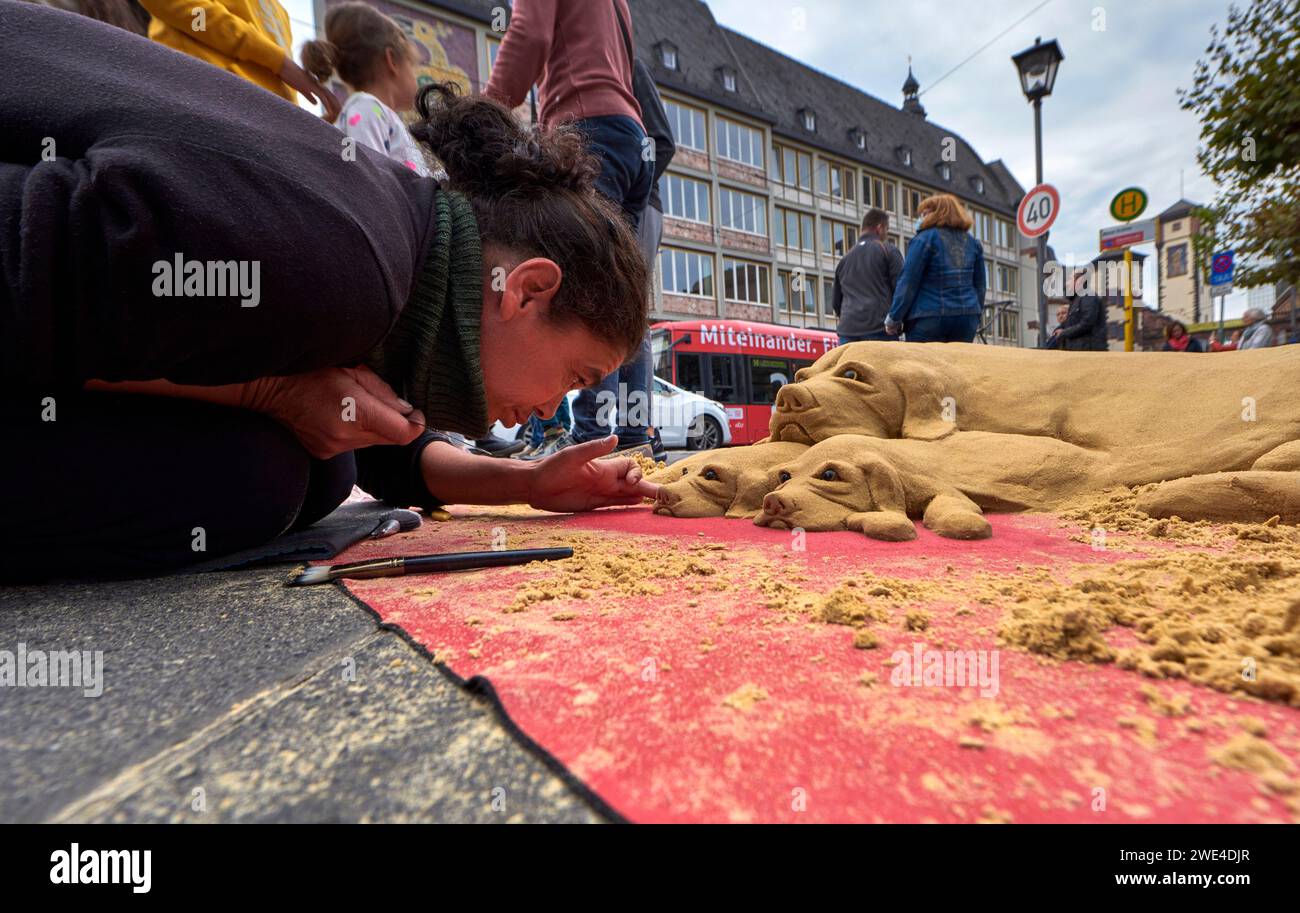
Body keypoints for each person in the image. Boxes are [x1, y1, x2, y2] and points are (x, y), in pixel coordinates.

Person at [0, 3, 657, 580]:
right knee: (248, 480)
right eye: (574, 375)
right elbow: (23, 269)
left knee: (315, 465)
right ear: (526, 290)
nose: (551, 407)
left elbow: (382, 452)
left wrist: (533, 483)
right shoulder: (351, 267)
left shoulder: (406, 249)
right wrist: (271, 391)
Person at [485, 0, 655, 455]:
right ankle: (633, 436)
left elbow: (530, 34)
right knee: (623, 300)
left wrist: (482, 113)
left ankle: (591, 440)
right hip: (631, 137)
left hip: (587, 126)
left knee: (588, 293)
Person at [138, 0, 339, 120]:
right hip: (209, 111)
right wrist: (279, 61)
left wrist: (301, 126)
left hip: (262, 142)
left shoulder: (280, 13)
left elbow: (280, 82)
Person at [300, 3, 429, 175]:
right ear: (392, 61)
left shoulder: (370, 112)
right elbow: (366, 181)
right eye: (411, 64)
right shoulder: (365, 109)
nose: (415, 76)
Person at [884, 194, 985, 343]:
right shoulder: (973, 243)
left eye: (924, 214)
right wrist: (975, 314)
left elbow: (908, 281)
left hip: (928, 316)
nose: (920, 219)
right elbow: (980, 286)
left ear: (936, 213)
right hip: (966, 317)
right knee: (956, 364)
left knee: (921, 365)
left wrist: (894, 318)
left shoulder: (924, 239)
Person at [833, 208, 903, 345]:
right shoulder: (888, 250)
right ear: (880, 228)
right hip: (879, 329)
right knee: (880, 367)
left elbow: (836, 302)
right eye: (887, 230)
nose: (886, 235)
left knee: (849, 366)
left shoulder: (845, 259)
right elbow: (902, 290)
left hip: (847, 331)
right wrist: (897, 320)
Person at [1052, 272, 1109, 351]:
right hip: (1080, 350)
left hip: (1088, 351)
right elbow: (1072, 322)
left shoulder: (1088, 296)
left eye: (1070, 280)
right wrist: (1061, 330)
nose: (1067, 283)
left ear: (1080, 281)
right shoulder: (1077, 300)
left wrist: (1064, 332)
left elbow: (1087, 323)